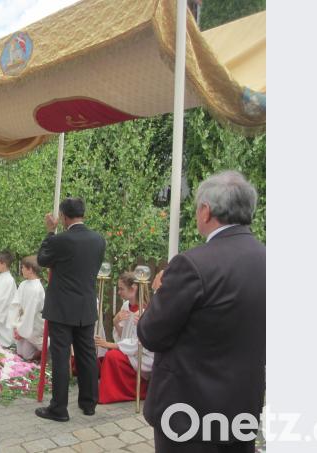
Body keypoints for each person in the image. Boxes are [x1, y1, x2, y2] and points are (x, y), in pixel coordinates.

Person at [138, 170, 265, 452]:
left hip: (190, 413)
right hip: (242, 408)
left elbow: (151, 334)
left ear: (206, 211)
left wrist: (159, 291)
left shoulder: (192, 265)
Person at [35, 197, 105, 422]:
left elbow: (43, 259)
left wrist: (49, 232)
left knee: (61, 356)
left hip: (62, 308)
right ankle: (89, 403)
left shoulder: (61, 240)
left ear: (64, 217)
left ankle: (59, 408)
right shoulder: (98, 240)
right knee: (86, 355)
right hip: (85, 305)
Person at [94, 272, 154, 404]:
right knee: (111, 355)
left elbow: (139, 343)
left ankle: (125, 392)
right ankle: (110, 392)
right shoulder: (126, 306)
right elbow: (123, 336)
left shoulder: (145, 311)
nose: (119, 292)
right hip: (129, 351)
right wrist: (116, 322)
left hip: (141, 355)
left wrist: (109, 344)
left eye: (122, 289)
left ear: (133, 288)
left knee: (111, 356)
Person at [11, 255, 45, 361]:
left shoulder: (36, 289)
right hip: (22, 323)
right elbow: (16, 304)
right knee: (19, 352)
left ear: (30, 269)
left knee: (26, 355)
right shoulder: (23, 284)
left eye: (23, 267)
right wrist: (15, 325)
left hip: (33, 325)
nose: (21, 270)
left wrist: (21, 331)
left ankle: (45, 345)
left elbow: (31, 313)